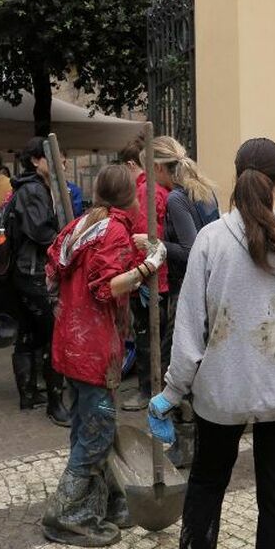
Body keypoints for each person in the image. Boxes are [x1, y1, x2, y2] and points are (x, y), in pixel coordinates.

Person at [149, 138, 275, 549]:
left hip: (222, 393)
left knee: (205, 488)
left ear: (238, 179)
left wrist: (171, 391)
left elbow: (189, 328)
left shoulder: (212, 241)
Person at [41, 164, 157, 547]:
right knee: (97, 431)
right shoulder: (116, 230)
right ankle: (66, 514)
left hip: (70, 342)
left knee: (86, 424)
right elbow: (107, 288)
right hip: (93, 346)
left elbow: (51, 269)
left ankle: (103, 503)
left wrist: (64, 307)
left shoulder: (82, 224)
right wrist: (146, 266)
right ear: (129, 197)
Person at [152, 135, 221, 465]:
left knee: (176, 361)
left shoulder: (178, 198)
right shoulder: (205, 190)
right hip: (211, 289)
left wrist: (156, 244)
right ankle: (204, 441)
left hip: (188, 291)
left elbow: (194, 250)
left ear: (161, 169)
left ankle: (185, 443)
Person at [7, 138, 71, 426]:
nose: (63, 162)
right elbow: (42, 232)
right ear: (36, 160)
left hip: (22, 272)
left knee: (28, 333)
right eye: (55, 157)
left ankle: (28, 396)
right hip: (33, 274)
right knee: (52, 336)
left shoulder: (30, 188)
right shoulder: (33, 190)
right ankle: (55, 405)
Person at [118, 134, 171, 411]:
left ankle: (147, 390)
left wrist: (136, 276)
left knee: (147, 335)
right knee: (157, 335)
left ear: (130, 165)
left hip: (149, 277)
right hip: (158, 275)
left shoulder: (144, 192)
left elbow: (143, 238)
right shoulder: (158, 189)